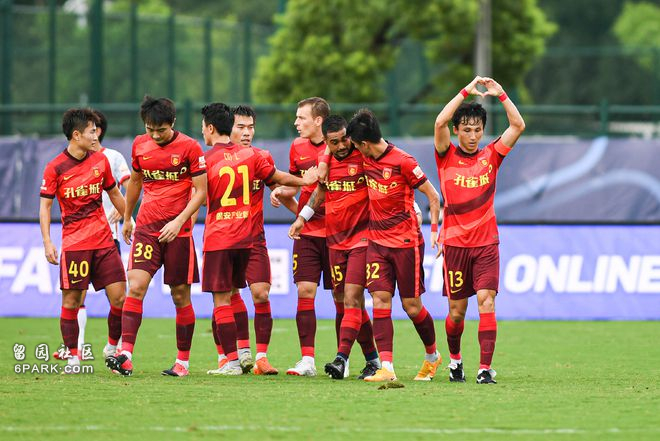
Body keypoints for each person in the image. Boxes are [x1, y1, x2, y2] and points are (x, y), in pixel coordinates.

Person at [200, 103, 318, 376]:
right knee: (228, 294)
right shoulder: (216, 159)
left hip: (253, 238)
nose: (247, 132)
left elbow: (277, 185)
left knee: (260, 292)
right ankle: (235, 355)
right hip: (224, 236)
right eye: (241, 127)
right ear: (228, 128)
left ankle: (261, 358)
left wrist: (299, 214)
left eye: (251, 127)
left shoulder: (259, 156)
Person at [105, 96, 207, 377]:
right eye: (150, 129)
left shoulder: (190, 147)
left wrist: (179, 221)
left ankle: (182, 363)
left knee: (180, 295)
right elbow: (136, 182)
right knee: (136, 287)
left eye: (161, 130)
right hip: (147, 229)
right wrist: (127, 216)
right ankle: (125, 355)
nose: (155, 135)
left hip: (178, 232)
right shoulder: (140, 144)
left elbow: (201, 192)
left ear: (172, 122)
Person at [433, 76, 525, 384]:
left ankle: (484, 369)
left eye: (477, 130)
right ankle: (455, 361)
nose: (472, 136)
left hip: (486, 243)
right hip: (456, 246)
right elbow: (439, 121)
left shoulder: (492, 155)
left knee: (487, 301)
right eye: (466, 129)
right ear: (457, 130)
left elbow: (518, 125)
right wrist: (465, 91)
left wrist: (502, 95)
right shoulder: (445, 155)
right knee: (456, 313)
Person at [346, 108, 442, 382]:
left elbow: (433, 195)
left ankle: (432, 356)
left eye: (356, 146)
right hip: (376, 243)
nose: (354, 150)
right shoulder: (364, 157)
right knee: (379, 300)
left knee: (412, 306)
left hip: (406, 243)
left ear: (365, 144)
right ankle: (386, 367)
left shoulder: (403, 161)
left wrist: (434, 231)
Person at [289, 115, 380, 380]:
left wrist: (415, 208)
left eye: (344, 140)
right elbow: (320, 192)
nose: (341, 146)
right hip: (336, 241)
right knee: (348, 301)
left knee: (350, 298)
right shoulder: (325, 162)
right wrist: (302, 218)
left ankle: (341, 359)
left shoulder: (364, 155)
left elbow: (388, 178)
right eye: (334, 142)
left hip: (363, 238)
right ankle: (373, 359)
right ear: (327, 142)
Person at [39, 108, 127, 371]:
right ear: (76, 135)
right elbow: (45, 207)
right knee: (71, 302)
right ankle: (73, 356)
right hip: (75, 245)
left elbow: (115, 193)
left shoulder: (101, 161)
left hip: (104, 242)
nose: (96, 135)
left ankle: (111, 347)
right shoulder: (55, 167)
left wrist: (129, 219)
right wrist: (47, 241)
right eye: (91, 131)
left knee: (120, 299)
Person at [270, 97, 336, 377]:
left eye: (301, 118)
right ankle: (307, 359)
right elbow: (297, 185)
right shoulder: (297, 146)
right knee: (305, 291)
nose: (296, 123)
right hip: (307, 233)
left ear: (318, 121)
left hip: (338, 234)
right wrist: (281, 191)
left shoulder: (340, 145)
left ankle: (347, 358)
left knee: (345, 297)